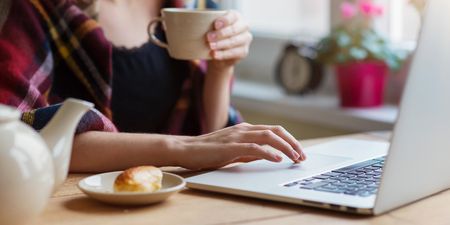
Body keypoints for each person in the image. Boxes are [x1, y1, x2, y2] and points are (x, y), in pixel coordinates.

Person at [0, 0, 306, 172]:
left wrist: (221, 68)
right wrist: (180, 149)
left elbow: (209, 136)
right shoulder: (34, 9)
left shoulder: (192, 5)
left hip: (179, 199)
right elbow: (15, 135)